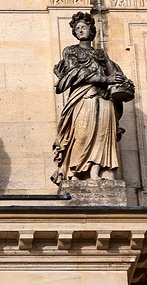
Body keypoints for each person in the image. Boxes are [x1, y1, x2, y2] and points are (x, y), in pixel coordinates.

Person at [52, 11, 134, 182]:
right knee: (81, 135)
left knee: (103, 137)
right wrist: (105, 79)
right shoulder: (70, 51)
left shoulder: (101, 54)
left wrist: (115, 75)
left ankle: (97, 173)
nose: (80, 30)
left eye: (83, 27)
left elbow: (115, 73)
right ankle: (75, 174)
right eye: (77, 28)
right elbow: (76, 72)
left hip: (104, 100)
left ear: (91, 29)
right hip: (84, 98)